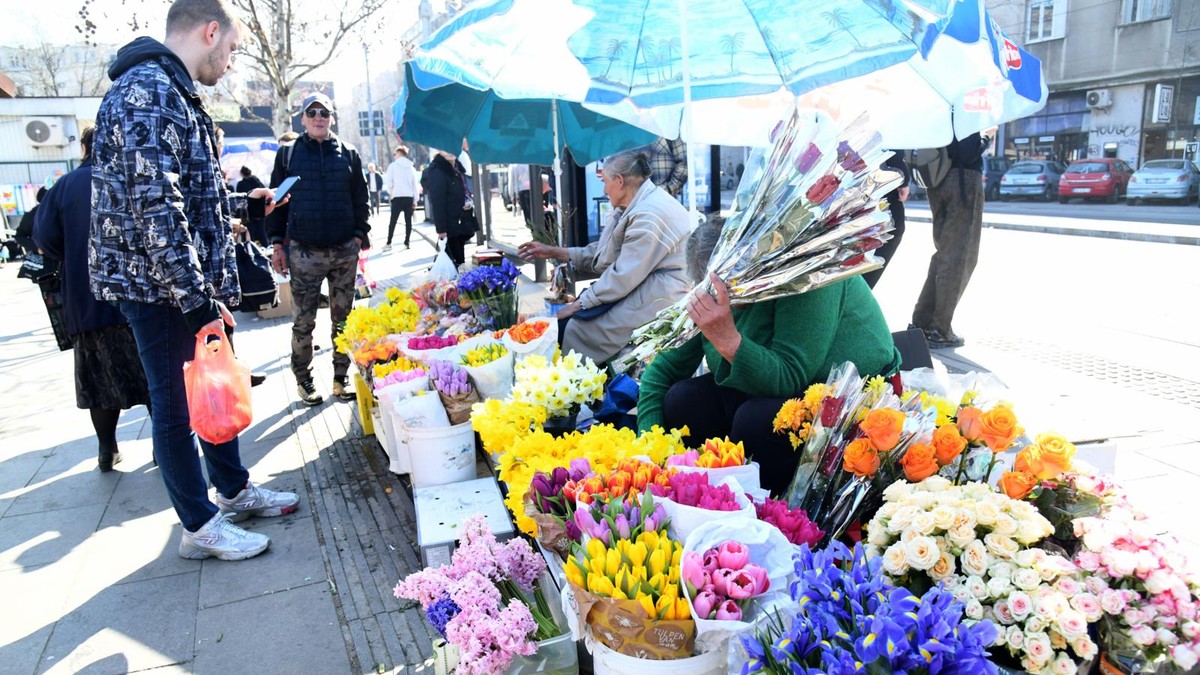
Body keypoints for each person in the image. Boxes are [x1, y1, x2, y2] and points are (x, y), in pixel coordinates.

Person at [90, 0, 298, 561]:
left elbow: (185, 192)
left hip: (180, 284)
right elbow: (155, 206)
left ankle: (231, 490)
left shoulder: (170, 90)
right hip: (160, 289)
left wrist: (235, 202)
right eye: (230, 49)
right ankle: (199, 526)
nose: (229, 62)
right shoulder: (147, 92)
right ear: (210, 32)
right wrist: (196, 299)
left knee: (215, 386)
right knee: (177, 406)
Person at [636, 216, 901, 496]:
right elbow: (664, 371)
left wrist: (726, 338)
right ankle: (702, 490)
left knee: (755, 421)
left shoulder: (806, 277)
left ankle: (764, 508)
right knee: (684, 399)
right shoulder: (712, 292)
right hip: (769, 385)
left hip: (844, 392)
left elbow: (789, 375)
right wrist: (651, 447)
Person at [35, 127, 152, 473]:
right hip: (137, 294)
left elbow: (44, 239)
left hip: (87, 299)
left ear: (84, 147)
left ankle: (107, 448)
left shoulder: (66, 186)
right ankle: (165, 449)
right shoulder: (131, 176)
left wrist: (72, 252)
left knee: (98, 380)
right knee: (153, 377)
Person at [518, 149, 692, 365]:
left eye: (605, 181)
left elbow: (622, 276)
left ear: (619, 181)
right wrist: (553, 252)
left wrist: (578, 305)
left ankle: (581, 387)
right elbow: (604, 255)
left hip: (662, 293)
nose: (604, 189)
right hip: (645, 283)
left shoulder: (649, 213)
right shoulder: (637, 203)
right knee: (576, 321)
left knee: (578, 329)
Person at [267, 92, 371, 406]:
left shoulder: (349, 153)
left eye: (324, 113)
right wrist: (277, 246)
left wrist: (357, 237)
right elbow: (275, 204)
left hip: (343, 252)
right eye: (312, 113)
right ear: (302, 119)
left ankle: (341, 379)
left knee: (344, 321)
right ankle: (305, 380)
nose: (318, 118)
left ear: (332, 117)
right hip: (303, 252)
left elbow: (360, 200)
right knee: (303, 322)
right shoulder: (288, 155)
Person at [909, 131, 991, 348]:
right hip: (963, 182)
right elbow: (968, 152)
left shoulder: (941, 107)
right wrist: (987, 137)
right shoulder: (966, 107)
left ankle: (922, 322)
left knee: (944, 254)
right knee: (960, 257)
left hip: (937, 179)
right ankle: (939, 329)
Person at [862, 152, 909, 289]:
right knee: (892, 225)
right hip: (871, 163)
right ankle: (855, 298)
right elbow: (886, 133)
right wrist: (901, 172)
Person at [422, 149, 477, 268]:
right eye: (445, 149)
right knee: (452, 265)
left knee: (459, 262)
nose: (450, 151)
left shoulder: (457, 168)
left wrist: (468, 201)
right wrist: (441, 230)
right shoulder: (438, 171)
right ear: (439, 151)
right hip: (449, 226)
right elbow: (437, 202)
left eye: (452, 147)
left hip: (460, 222)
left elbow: (463, 192)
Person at [385, 146, 418, 249]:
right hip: (409, 196)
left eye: (395, 154)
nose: (394, 156)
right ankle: (407, 242)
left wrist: (391, 192)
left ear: (399, 154)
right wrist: (415, 199)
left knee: (393, 221)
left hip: (397, 196)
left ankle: (389, 242)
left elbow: (389, 183)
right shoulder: (411, 167)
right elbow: (415, 185)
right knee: (408, 221)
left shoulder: (393, 166)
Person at [235, 166, 268, 246]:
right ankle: (267, 248)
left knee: (249, 234)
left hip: (247, 212)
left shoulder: (241, 184)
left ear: (242, 173)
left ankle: (250, 251)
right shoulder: (257, 181)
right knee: (262, 233)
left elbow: (239, 199)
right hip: (260, 211)